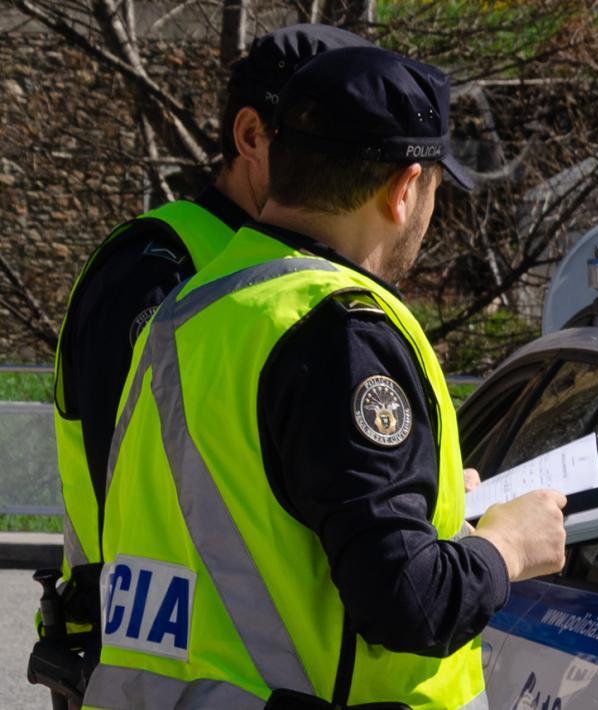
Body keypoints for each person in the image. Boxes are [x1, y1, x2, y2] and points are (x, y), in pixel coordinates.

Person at [85, 45, 567, 709]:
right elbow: (406, 603)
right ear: (403, 191)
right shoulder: (338, 330)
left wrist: (420, 500)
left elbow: (247, 517)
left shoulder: (191, 311)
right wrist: (506, 546)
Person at [50, 24, 371, 619]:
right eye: (336, 150)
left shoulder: (289, 273)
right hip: (143, 659)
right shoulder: (155, 272)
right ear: (252, 136)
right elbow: (150, 497)